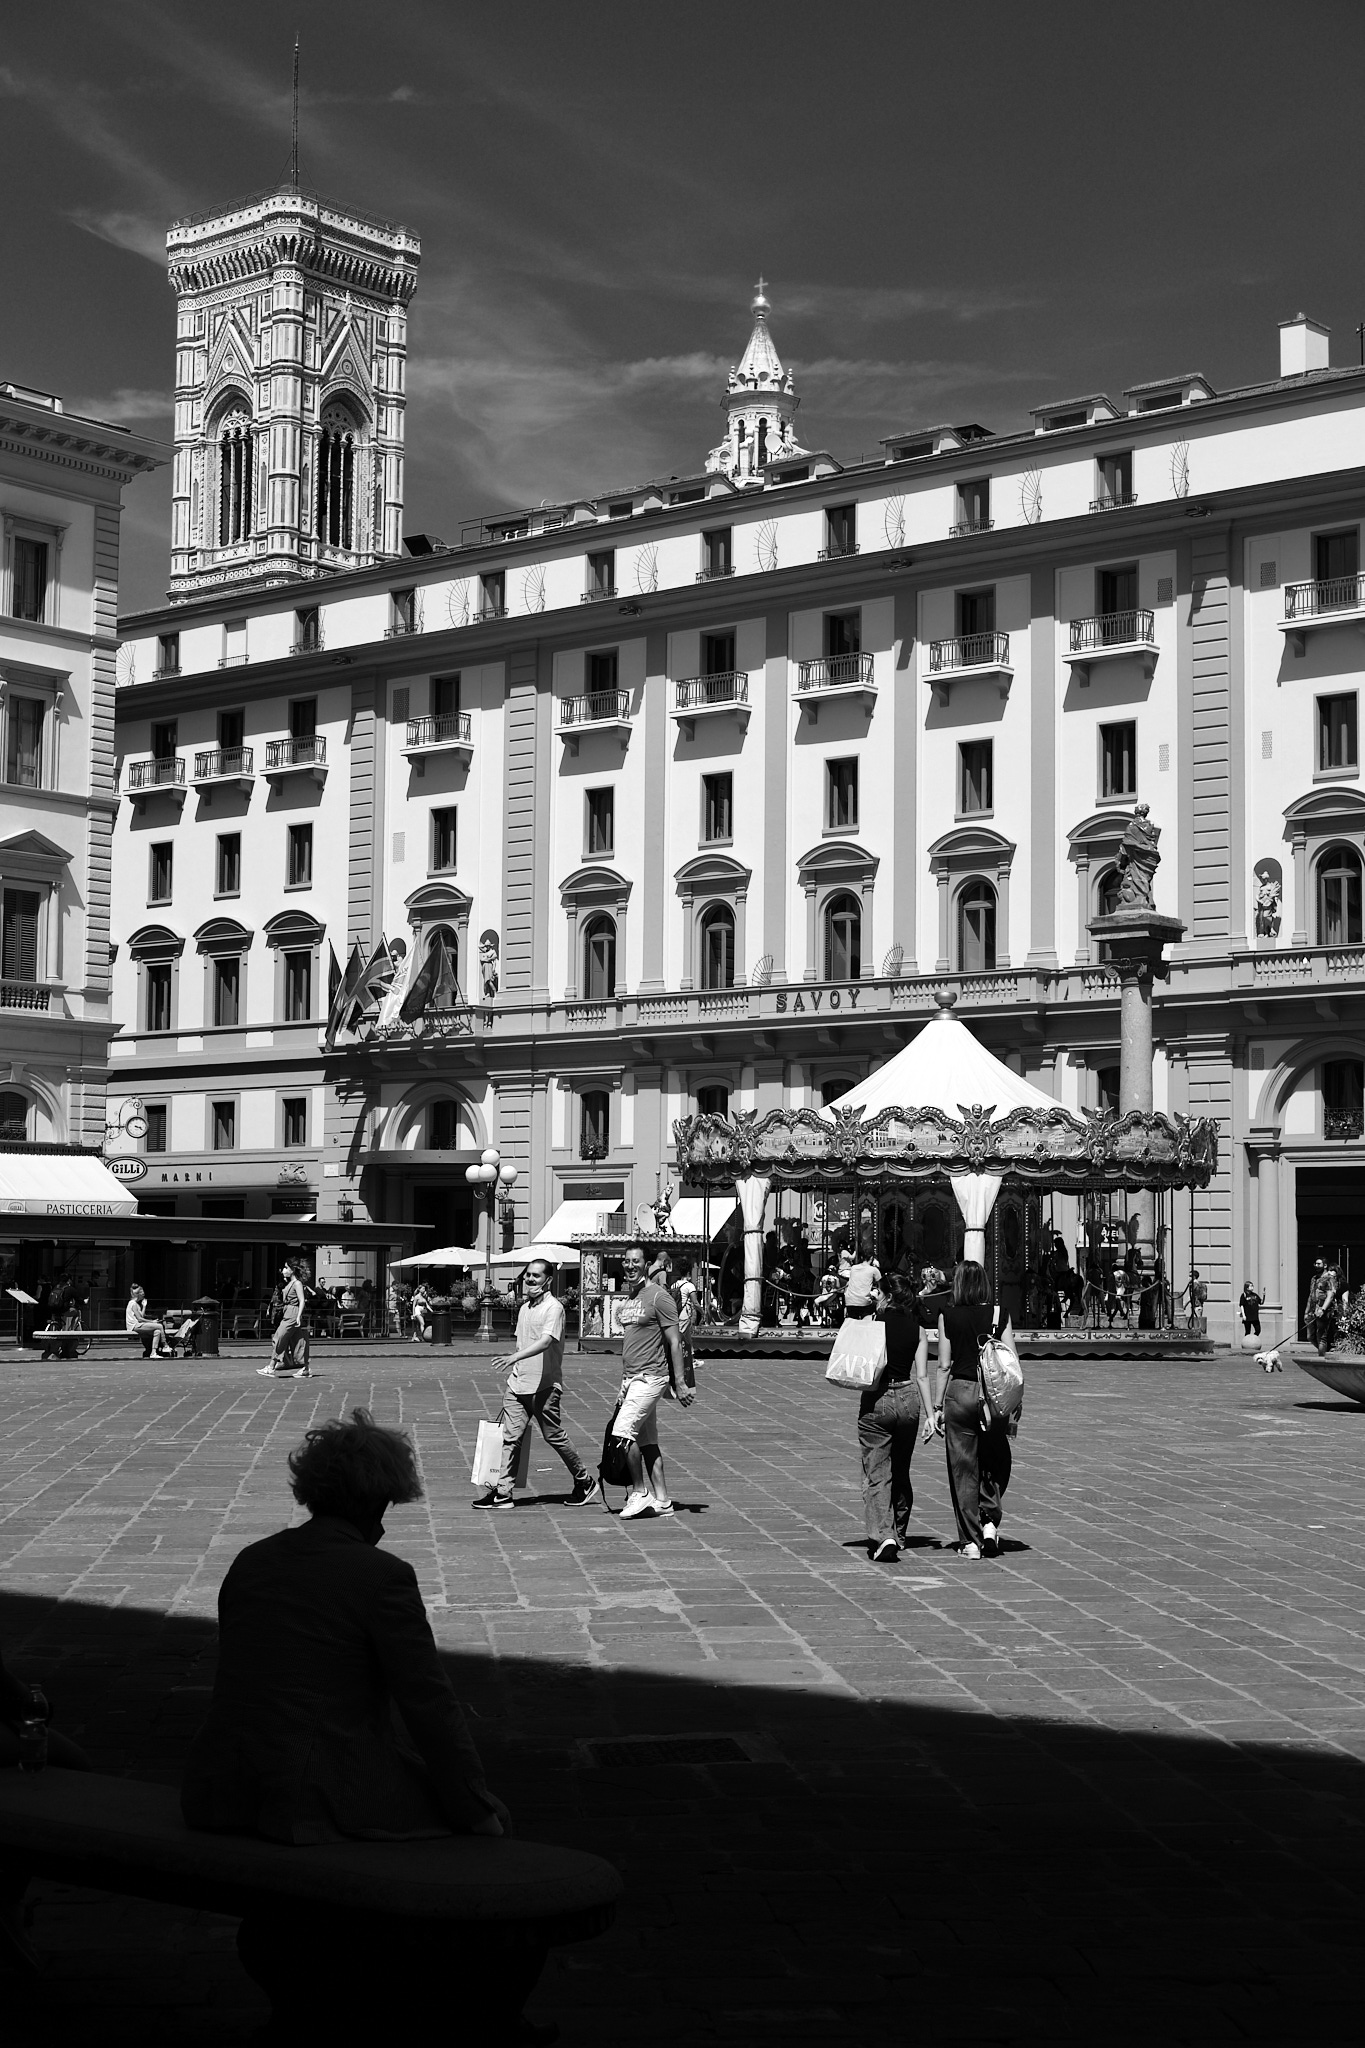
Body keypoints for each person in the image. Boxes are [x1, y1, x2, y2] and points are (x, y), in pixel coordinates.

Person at [472, 1258, 598, 1510]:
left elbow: (545, 1341)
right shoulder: (525, 1308)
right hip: (517, 1385)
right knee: (510, 1438)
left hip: (544, 1387)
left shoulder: (554, 1308)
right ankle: (503, 1493)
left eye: (536, 1276)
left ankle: (584, 1481)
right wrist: (516, 1364)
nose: (530, 1280)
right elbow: (523, 1341)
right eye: (528, 1275)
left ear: (548, 1280)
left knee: (554, 1437)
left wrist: (513, 1357)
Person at [937, 1260, 1016, 1561]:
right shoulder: (998, 1313)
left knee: (963, 1468)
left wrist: (936, 1405)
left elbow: (944, 1365)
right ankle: (990, 1520)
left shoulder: (947, 1314)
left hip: (960, 1390)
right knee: (997, 1459)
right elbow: (1011, 1361)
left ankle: (970, 1541)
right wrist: (1016, 1400)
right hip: (994, 1396)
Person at [610, 1243, 695, 1520]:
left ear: (647, 1264)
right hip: (631, 1378)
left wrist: (679, 1382)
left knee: (623, 1433)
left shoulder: (659, 1297)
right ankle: (663, 1500)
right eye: (626, 1261)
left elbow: (675, 1341)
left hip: (650, 1377)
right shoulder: (632, 1296)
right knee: (647, 1442)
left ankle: (639, 1492)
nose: (630, 1266)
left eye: (636, 1261)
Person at [859, 1273, 935, 1562]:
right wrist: (931, 1415)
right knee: (901, 1471)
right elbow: (924, 1376)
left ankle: (884, 1535)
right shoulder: (917, 1330)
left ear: (888, 1296)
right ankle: (899, 1534)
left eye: (877, 1292)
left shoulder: (873, 1325)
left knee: (878, 1472)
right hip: (908, 1398)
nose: (874, 1296)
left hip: (878, 1399)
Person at [258, 1259, 309, 1380]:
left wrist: (298, 1316)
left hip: (292, 1313)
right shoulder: (290, 1283)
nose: (283, 1270)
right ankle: (305, 1368)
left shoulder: (297, 1283)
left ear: (292, 1270)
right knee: (298, 1340)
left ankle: (271, 1367)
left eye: (286, 1268)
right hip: (289, 1312)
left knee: (279, 1337)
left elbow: (302, 1300)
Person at [126, 1282, 170, 1358]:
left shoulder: (136, 1304)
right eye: (142, 1292)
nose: (144, 1293)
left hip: (138, 1325)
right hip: (134, 1326)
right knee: (159, 1326)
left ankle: (153, 1353)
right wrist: (152, 1322)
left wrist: (144, 1306)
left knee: (157, 1331)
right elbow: (140, 1319)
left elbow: (141, 1316)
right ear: (138, 1294)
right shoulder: (133, 1303)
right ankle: (165, 1345)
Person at [843, 1249, 881, 1321]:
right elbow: (881, 1283)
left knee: (853, 1321)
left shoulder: (853, 1268)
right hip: (864, 1303)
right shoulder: (873, 1270)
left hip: (850, 1302)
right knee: (876, 1304)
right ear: (872, 1258)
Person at [409, 1279, 433, 1344]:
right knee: (422, 1323)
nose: (424, 1290)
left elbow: (427, 1305)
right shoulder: (417, 1297)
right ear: (419, 1289)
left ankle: (414, 1336)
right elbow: (414, 1305)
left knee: (418, 1324)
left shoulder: (424, 1297)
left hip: (423, 1310)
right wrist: (413, 1314)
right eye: (422, 1289)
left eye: (424, 1289)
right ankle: (423, 1336)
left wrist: (432, 1311)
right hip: (418, 1310)